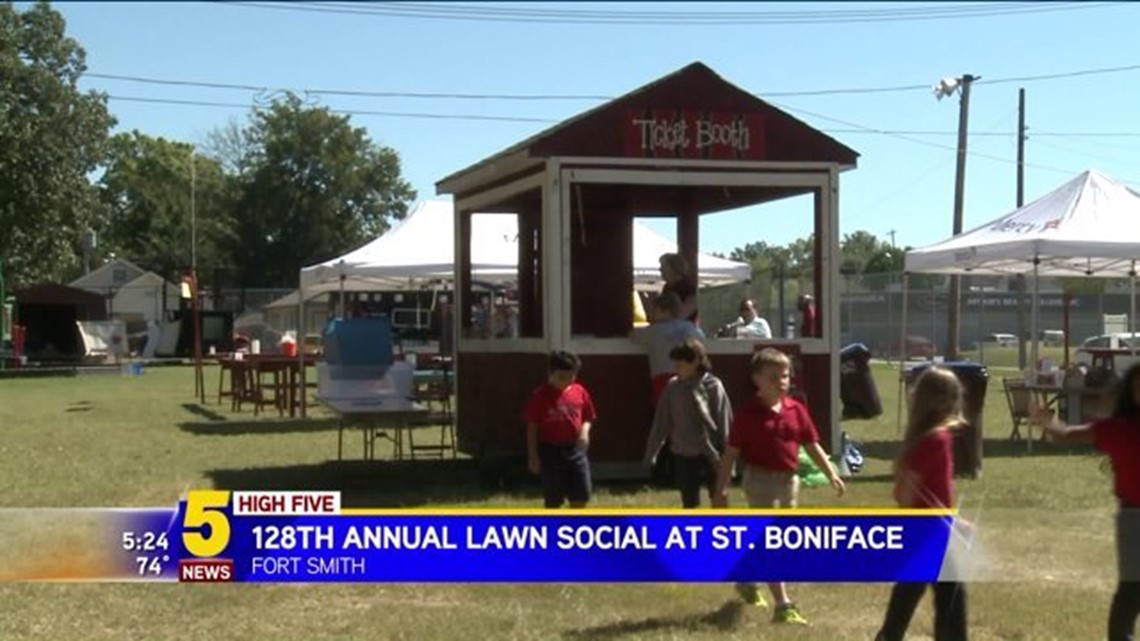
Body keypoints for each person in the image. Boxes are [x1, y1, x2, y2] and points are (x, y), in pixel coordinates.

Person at [713, 347, 846, 625]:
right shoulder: (748, 414)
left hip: (789, 482)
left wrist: (831, 472)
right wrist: (721, 488)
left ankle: (747, 578)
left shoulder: (796, 410)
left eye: (785, 376)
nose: (781, 381)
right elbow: (731, 454)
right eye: (773, 376)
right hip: (760, 481)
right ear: (757, 380)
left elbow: (812, 445)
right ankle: (783, 605)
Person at [1032, 362, 1140, 641]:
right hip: (1133, 520)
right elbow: (1066, 435)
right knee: (1131, 591)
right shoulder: (1117, 430)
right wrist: (1047, 423)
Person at [874, 366, 970, 641]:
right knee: (951, 600)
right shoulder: (935, 441)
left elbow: (907, 493)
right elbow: (906, 493)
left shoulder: (926, 439)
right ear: (948, 401)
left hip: (924, 531)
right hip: (931, 534)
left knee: (909, 594)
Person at [643, 338, 732, 508]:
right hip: (684, 450)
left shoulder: (713, 386)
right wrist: (652, 451)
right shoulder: (673, 387)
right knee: (689, 500)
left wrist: (728, 454)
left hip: (712, 451)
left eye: (681, 362)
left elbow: (724, 419)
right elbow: (662, 421)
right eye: (675, 362)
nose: (676, 366)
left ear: (697, 361)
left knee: (719, 495)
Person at [523, 350, 598, 509]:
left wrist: (584, 432)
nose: (566, 381)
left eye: (571, 377)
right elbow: (532, 427)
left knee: (581, 492)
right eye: (561, 377)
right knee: (554, 497)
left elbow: (588, 417)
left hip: (575, 450)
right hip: (551, 451)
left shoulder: (580, 392)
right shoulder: (540, 395)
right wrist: (533, 456)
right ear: (550, 374)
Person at [633, 291, 706, 407]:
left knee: (665, 417)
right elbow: (702, 342)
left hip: (663, 380)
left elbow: (631, 335)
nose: (651, 313)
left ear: (664, 310)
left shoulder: (653, 331)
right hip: (689, 379)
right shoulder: (690, 328)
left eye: (655, 310)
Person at [659, 253, 699, 323]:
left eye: (663, 266)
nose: (660, 269)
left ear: (674, 268)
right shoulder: (667, 287)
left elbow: (684, 313)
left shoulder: (687, 288)